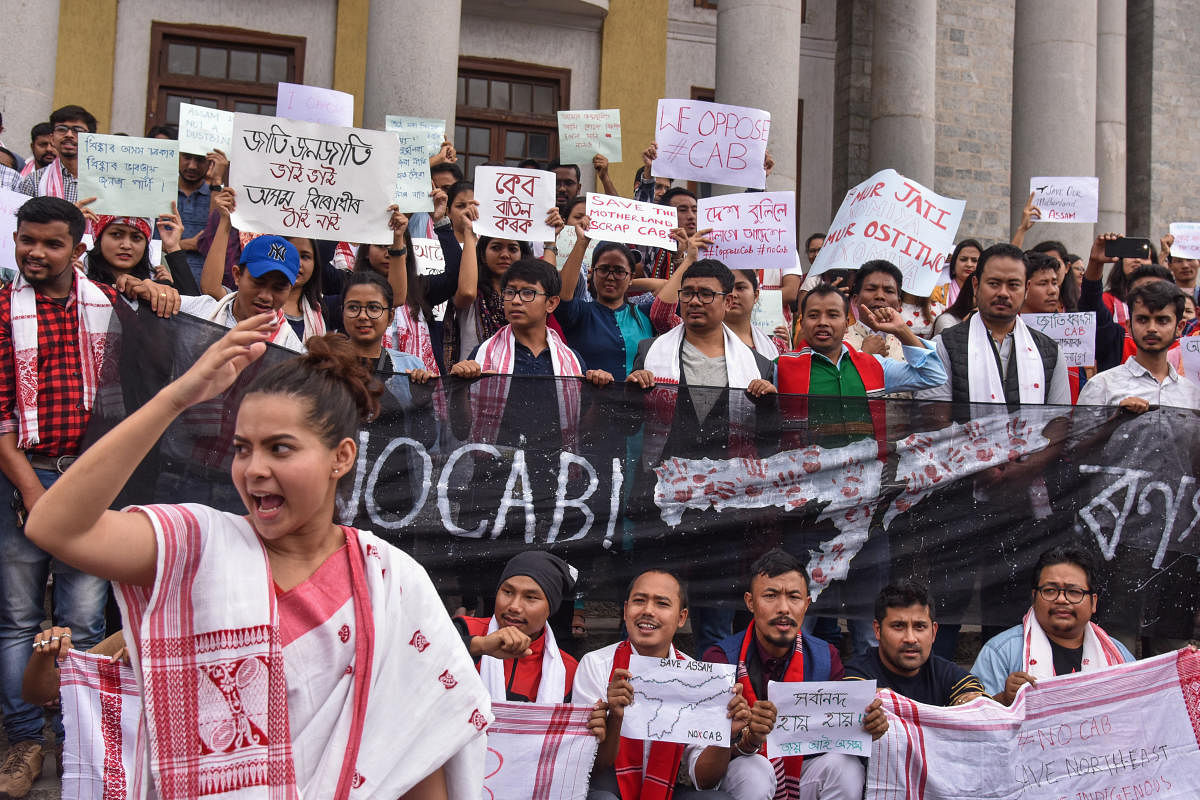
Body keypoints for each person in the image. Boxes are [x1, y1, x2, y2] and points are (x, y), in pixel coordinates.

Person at [24, 319, 493, 797]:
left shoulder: (391, 580)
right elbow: (54, 527)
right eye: (242, 449)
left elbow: (418, 750)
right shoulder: (200, 545)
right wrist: (176, 398)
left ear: (342, 457)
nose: (254, 470)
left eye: (280, 449)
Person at [0, 197, 156, 796]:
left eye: (51, 243)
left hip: (92, 483)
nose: (35, 253)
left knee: (85, 619)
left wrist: (157, 294)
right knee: (17, 619)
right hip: (24, 480)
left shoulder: (113, 307)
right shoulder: (2, 311)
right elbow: (1, 418)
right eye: (25, 241)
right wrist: (35, 493)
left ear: (77, 248)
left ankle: (78, 737)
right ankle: (23, 744)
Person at [702, 549, 888, 800]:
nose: (783, 608)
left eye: (794, 597)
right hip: (742, 771)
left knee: (845, 768)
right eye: (770, 596)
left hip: (802, 773)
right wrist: (747, 738)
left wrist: (868, 728)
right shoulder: (721, 660)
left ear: (807, 604)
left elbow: (838, 735)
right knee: (754, 770)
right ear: (750, 602)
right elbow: (704, 766)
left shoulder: (825, 657)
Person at [573, 569, 753, 799]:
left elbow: (705, 780)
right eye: (639, 601)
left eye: (662, 604)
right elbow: (586, 767)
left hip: (663, 790)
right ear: (626, 610)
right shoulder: (595, 665)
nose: (648, 611)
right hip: (609, 787)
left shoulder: (696, 676)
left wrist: (724, 734)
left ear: (681, 617)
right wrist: (615, 717)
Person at [971, 547, 1134, 704]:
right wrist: (1004, 700)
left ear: (1093, 602)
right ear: (1034, 598)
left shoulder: (1118, 655)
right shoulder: (1001, 653)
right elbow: (970, 719)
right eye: (1050, 590)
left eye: (1074, 592)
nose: (1062, 599)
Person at [917, 243, 1070, 406]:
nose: (1003, 293)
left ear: (1026, 289)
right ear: (976, 285)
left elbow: (1058, 421)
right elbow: (934, 420)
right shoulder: (944, 346)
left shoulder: (1050, 352)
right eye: (994, 283)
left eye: (1013, 285)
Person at [451, 257, 612, 386]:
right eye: (509, 292)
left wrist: (599, 387)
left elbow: (581, 422)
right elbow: (465, 420)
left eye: (528, 293)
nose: (515, 301)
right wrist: (460, 381)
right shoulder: (482, 354)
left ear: (551, 303)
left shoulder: (572, 360)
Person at [627, 259, 777, 396]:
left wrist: (769, 404)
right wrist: (630, 389)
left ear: (728, 302)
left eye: (706, 294)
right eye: (687, 293)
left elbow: (765, 423)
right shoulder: (649, 352)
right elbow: (632, 415)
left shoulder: (759, 365)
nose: (694, 302)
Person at [186, 190, 305, 351]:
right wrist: (157, 292)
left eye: (278, 288)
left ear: (291, 289)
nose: (265, 296)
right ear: (237, 275)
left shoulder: (291, 350)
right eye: (258, 282)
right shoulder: (198, 312)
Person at [454, 550, 580, 703]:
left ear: (550, 608)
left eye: (531, 597)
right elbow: (424, 658)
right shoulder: (464, 630)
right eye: (507, 592)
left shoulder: (567, 670)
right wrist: (480, 646)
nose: (514, 606)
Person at [778, 284, 947, 397]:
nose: (823, 322)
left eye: (833, 315)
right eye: (813, 316)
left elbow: (933, 375)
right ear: (802, 322)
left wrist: (902, 330)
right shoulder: (781, 367)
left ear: (846, 324)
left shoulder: (875, 366)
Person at [843, 582, 986, 707]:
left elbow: (979, 701)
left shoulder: (947, 674)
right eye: (898, 626)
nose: (910, 639)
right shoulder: (857, 676)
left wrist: (967, 704)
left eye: (920, 627)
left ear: (934, 632)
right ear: (877, 630)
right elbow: (851, 703)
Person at [556, 223, 656, 381]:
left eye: (619, 271)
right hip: (588, 404)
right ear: (592, 273)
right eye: (603, 270)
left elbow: (664, 287)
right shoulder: (580, 312)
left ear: (632, 277)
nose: (610, 277)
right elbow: (562, 297)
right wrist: (582, 242)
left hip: (638, 404)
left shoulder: (644, 312)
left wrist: (625, 283)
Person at [1078, 280, 1200, 410]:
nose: (1152, 328)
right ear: (1129, 326)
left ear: (1179, 327)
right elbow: (1082, 430)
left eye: (1162, 320)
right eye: (1142, 319)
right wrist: (1116, 418)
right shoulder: (1102, 386)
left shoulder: (1192, 394)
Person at [16, 105, 96, 204]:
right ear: (52, 138)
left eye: (77, 130)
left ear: (92, 139)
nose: (69, 135)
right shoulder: (34, 181)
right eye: (62, 129)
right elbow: (23, 218)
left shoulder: (105, 181)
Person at [173, 141, 227, 282]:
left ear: (210, 163)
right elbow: (148, 245)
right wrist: (184, 245)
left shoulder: (218, 197)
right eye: (187, 157)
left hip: (203, 288)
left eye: (200, 160)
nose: (192, 166)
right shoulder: (162, 193)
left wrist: (216, 180)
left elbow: (215, 238)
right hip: (163, 284)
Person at [930, 239, 982, 309]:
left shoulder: (987, 297)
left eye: (974, 260)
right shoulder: (936, 294)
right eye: (963, 259)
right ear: (953, 265)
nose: (969, 264)